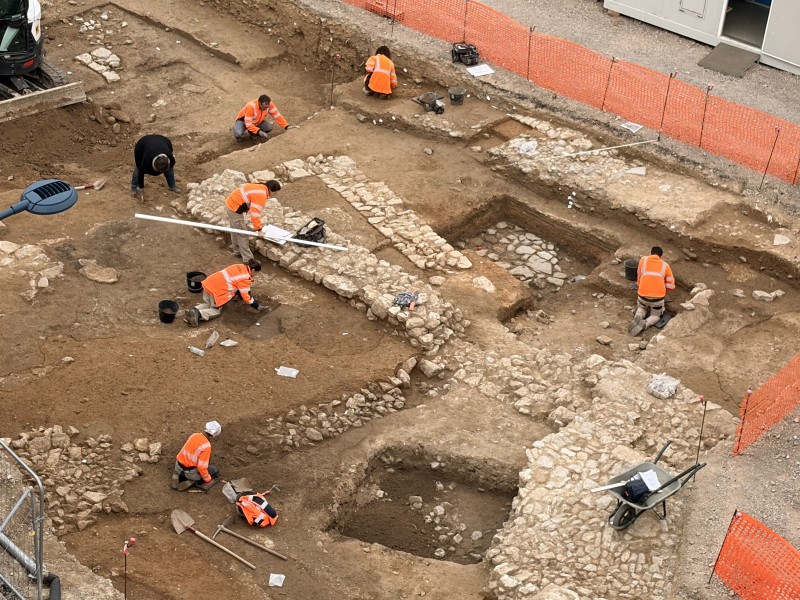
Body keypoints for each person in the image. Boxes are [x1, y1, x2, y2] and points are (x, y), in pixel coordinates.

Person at [185, 260, 265, 327]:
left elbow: (236, 284)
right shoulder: (245, 278)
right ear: (253, 270)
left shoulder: (239, 266)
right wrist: (257, 306)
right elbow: (246, 297)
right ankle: (198, 313)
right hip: (216, 292)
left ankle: (193, 310)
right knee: (215, 310)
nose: (255, 275)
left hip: (208, 285)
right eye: (256, 273)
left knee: (209, 304)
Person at [224, 180, 282, 261]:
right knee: (242, 234)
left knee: (235, 230)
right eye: (275, 193)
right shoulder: (261, 195)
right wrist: (259, 230)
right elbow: (255, 215)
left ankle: (237, 251)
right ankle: (248, 259)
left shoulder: (261, 186)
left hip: (230, 203)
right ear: (270, 190)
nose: (275, 195)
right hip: (234, 208)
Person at [629, 246, 675, 336]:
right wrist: (663, 291)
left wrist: (641, 285)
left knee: (641, 308)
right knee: (656, 315)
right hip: (657, 299)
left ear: (651, 253)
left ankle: (638, 316)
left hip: (642, 295)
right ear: (660, 256)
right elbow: (671, 285)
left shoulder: (643, 260)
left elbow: (639, 276)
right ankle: (645, 324)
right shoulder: (665, 266)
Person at [172, 421, 221, 491]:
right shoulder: (206, 446)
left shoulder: (194, 435)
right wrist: (208, 480)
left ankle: (176, 474)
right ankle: (191, 481)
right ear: (213, 435)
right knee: (213, 470)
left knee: (184, 467)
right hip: (190, 473)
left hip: (177, 465)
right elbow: (202, 467)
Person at [131, 134, 180, 199]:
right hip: (141, 145)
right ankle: (134, 187)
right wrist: (141, 187)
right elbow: (141, 173)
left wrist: (166, 169)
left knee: (169, 171)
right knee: (138, 168)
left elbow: (170, 166)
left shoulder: (170, 158)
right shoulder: (146, 161)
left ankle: (172, 186)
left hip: (163, 140)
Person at [233, 94, 298, 141]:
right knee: (238, 134)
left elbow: (277, 115)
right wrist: (259, 131)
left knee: (268, 127)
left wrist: (286, 126)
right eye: (264, 107)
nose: (266, 108)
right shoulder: (251, 106)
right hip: (243, 121)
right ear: (259, 103)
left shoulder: (269, 104)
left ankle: (253, 134)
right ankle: (238, 134)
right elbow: (248, 124)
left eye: (267, 106)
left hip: (257, 121)